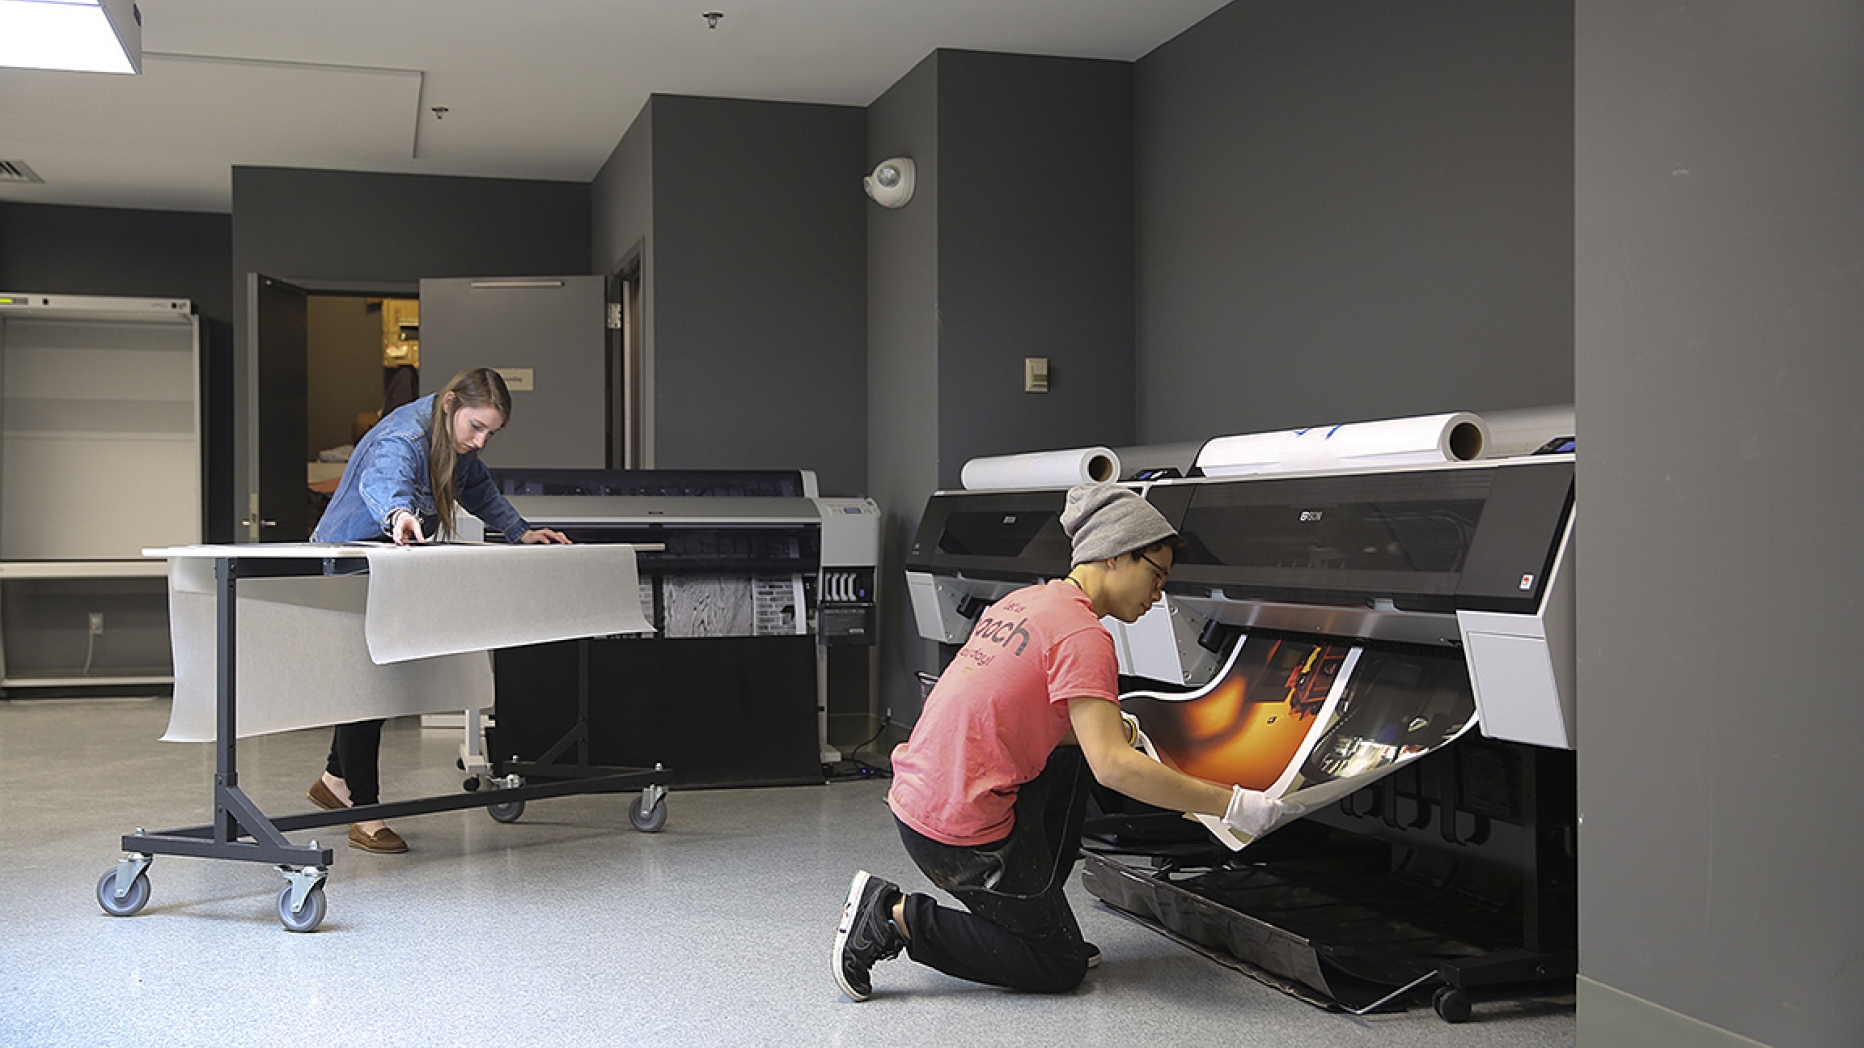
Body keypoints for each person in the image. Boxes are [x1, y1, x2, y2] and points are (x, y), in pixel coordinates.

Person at [832, 483, 1293, 1000]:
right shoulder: (1084, 636)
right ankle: (893, 916)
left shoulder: (1026, 601)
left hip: (921, 793)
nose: (1160, 593)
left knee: (1077, 759)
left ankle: (1040, 918)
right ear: (1117, 555)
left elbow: (1025, 711)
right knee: (1057, 964)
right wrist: (1230, 804)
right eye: (1156, 575)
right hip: (956, 829)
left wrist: (1118, 731)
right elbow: (1114, 769)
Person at [305, 367, 571, 854]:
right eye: (477, 426)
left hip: (385, 561)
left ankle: (336, 779)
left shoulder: (454, 441)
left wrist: (520, 532)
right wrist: (400, 515)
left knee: (374, 678)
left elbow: (479, 489)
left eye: (492, 431)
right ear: (450, 403)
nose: (481, 440)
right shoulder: (404, 436)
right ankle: (365, 813)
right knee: (368, 685)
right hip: (351, 563)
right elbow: (386, 481)